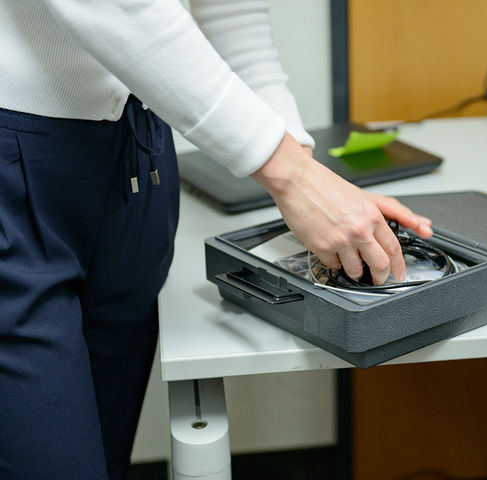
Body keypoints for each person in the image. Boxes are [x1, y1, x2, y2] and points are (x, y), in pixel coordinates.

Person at [0, 0, 432, 478]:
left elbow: (232, 11)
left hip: (138, 165)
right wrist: (290, 174)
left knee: (106, 453)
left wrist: (305, 173)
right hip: (15, 168)